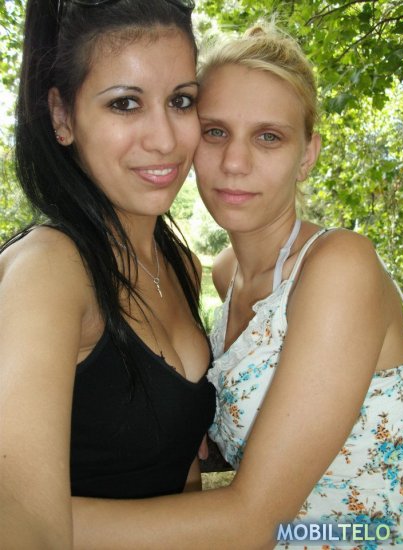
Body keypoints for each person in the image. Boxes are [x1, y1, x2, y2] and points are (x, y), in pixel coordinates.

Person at [71, 27, 403, 549]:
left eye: (268, 137)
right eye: (215, 132)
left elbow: (253, 521)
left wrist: (31, 519)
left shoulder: (339, 268)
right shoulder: (224, 273)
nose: (235, 162)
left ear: (308, 154)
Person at [0, 0, 216, 547]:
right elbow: (20, 526)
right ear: (62, 117)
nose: (165, 139)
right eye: (125, 103)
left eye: (181, 101)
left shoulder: (180, 265)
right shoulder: (50, 270)